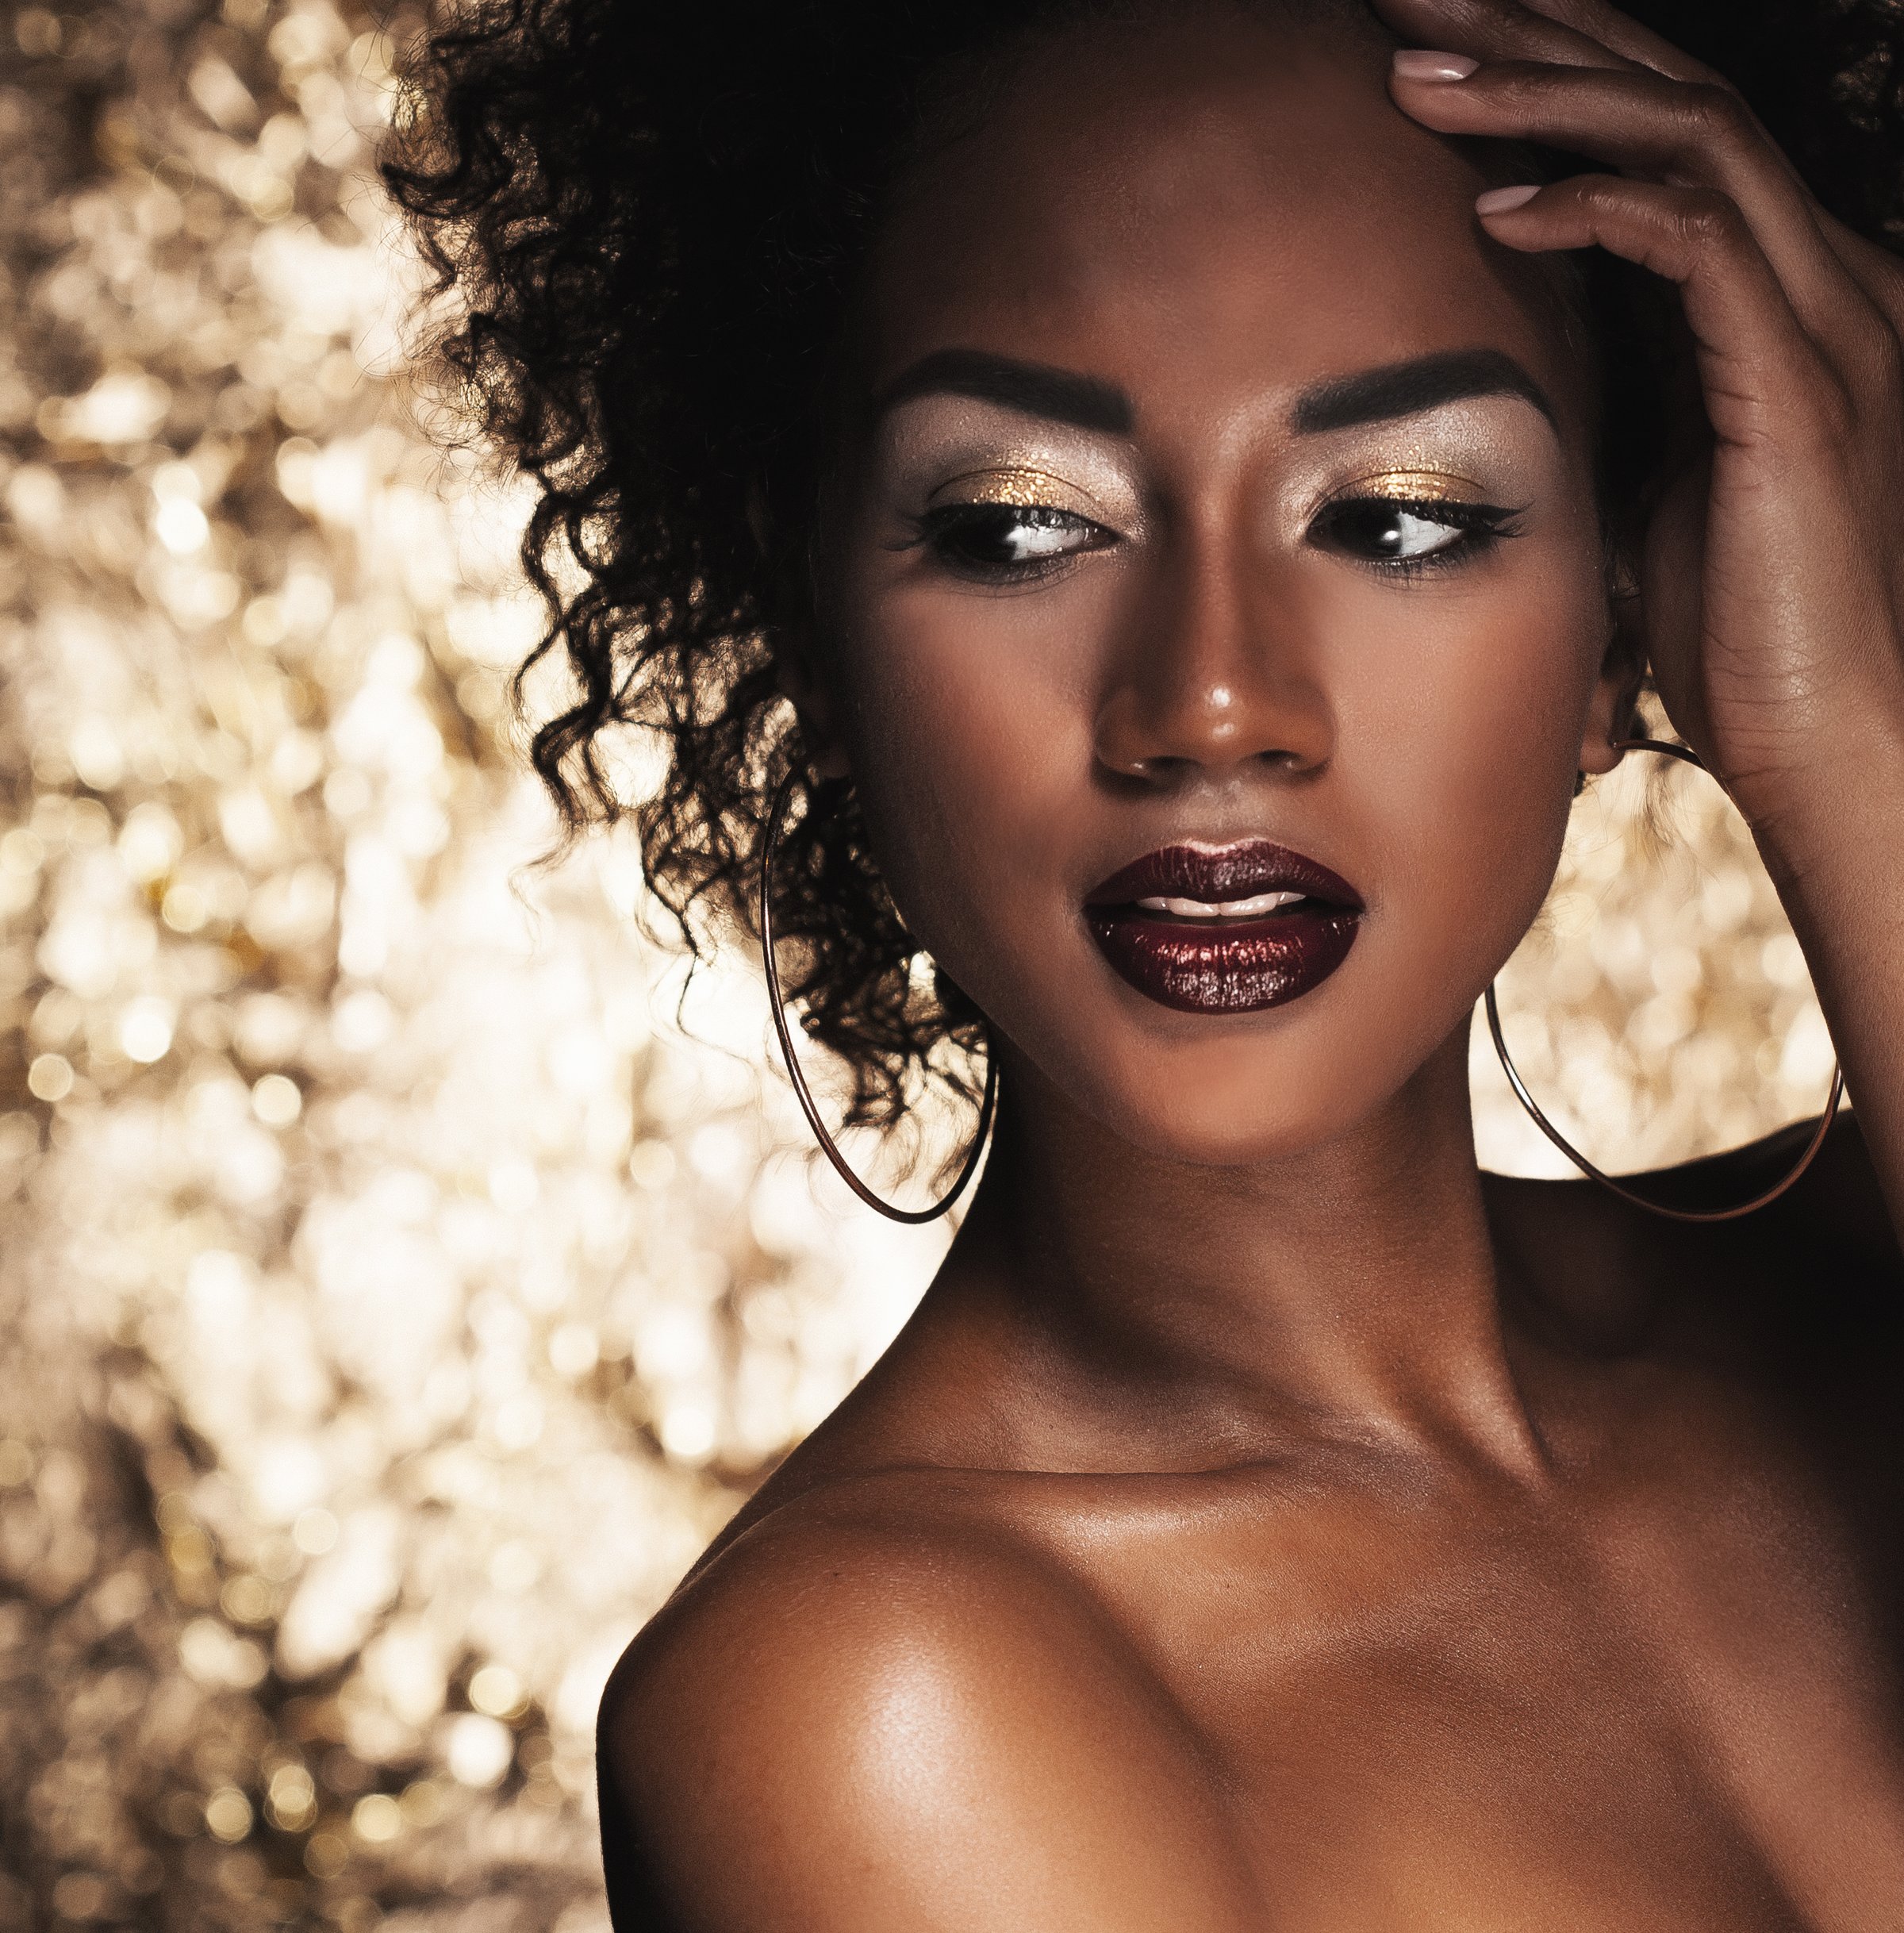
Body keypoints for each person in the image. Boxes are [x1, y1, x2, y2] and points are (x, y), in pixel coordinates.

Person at [386, 0, 1904, 1923]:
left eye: (1400, 517)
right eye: (1023, 529)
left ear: (1621, 620)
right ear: (811, 628)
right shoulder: (878, 1712)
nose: (1210, 703)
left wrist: (1851, 745)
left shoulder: (1853, 1283)